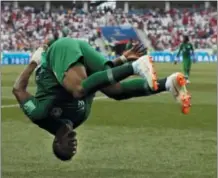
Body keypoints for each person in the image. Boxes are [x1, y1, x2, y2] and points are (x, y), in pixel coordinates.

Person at [12, 37, 191, 162]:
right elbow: (96, 81)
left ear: (57, 142)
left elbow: (18, 89)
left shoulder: (41, 114)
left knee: (78, 90)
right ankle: (169, 83)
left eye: (67, 150)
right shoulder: (80, 115)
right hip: (78, 51)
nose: (73, 148)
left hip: (57, 53)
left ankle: (136, 67)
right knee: (115, 91)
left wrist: (34, 61)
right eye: (72, 152)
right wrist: (120, 60)